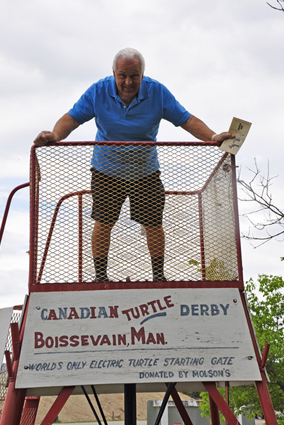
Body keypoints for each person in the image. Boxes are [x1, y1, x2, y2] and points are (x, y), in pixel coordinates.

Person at [34, 47, 234, 282]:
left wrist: (212, 137)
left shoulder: (157, 92)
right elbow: (72, 118)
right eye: (122, 76)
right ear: (113, 73)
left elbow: (186, 120)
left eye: (134, 76)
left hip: (145, 170)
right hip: (106, 169)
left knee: (153, 222)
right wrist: (56, 135)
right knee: (104, 221)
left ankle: (159, 277)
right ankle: (101, 278)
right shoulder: (98, 91)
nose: (128, 82)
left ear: (142, 74)